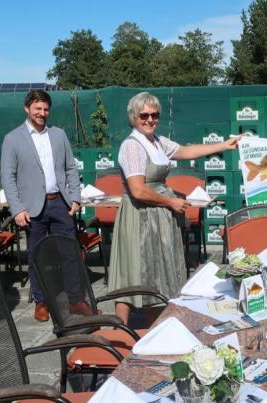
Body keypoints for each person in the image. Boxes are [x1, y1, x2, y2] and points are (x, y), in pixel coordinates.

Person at [109, 92, 238, 324]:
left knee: (157, 270)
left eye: (155, 115)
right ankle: (120, 329)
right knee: (132, 269)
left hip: (158, 214)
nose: (150, 119)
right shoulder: (132, 146)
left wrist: (224, 145)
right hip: (140, 216)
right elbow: (138, 190)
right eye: (144, 115)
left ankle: (157, 324)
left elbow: (186, 151)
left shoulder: (157, 141)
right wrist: (171, 201)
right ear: (134, 117)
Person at [1, 90, 90, 322]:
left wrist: (75, 197)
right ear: (27, 109)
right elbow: (8, 177)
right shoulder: (12, 138)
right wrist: (17, 209)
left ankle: (76, 300)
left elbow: (71, 168)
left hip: (60, 203)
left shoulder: (59, 135)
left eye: (45, 109)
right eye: (37, 108)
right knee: (36, 256)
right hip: (32, 208)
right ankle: (41, 302)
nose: (42, 113)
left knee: (70, 253)